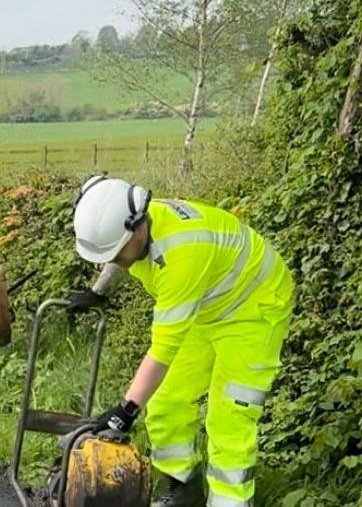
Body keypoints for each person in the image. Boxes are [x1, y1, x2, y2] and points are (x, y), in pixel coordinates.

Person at [68, 175, 294, 507]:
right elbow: (116, 254)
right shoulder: (137, 223)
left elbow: (163, 350)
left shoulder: (180, 255)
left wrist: (124, 411)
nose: (115, 260)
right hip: (206, 304)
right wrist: (96, 292)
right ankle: (181, 487)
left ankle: (229, 502)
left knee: (230, 416)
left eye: (117, 252)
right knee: (164, 401)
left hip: (255, 308)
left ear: (137, 228)